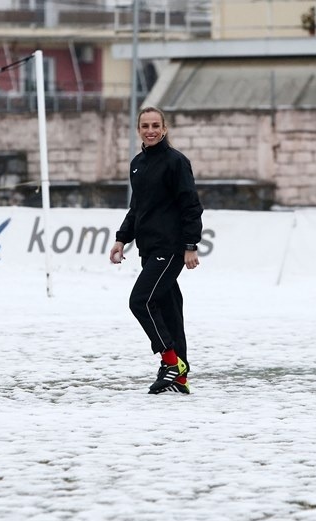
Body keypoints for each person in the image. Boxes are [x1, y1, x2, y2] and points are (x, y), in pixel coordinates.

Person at [109, 106, 204, 395]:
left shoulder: (176, 162)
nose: (150, 130)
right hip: (149, 248)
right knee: (170, 309)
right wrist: (121, 239)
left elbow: (191, 205)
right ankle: (180, 379)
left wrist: (190, 245)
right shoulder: (138, 163)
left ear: (164, 128)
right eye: (145, 126)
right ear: (138, 130)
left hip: (171, 247)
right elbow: (137, 208)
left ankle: (171, 362)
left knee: (140, 301)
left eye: (155, 125)